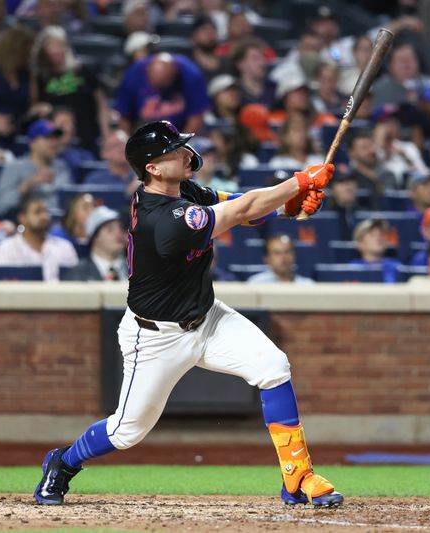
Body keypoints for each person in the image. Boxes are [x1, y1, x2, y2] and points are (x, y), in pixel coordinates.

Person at [32, 120, 344, 509]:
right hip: (156, 335)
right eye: (173, 151)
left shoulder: (187, 191)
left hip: (207, 317)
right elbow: (239, 211)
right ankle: (62, 463)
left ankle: (297, 477)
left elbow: (242, 205)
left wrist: (286, 208)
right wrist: (298, 183)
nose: (184, 153)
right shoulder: (161, 217)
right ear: (153, 169)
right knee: (127, 431)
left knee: (274, 366)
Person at [30, 26, 109, 152]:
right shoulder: (41, 77)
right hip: (57, 141)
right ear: (43, 50)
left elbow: (102, 106)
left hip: (87, 136)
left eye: (59, 45)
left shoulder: (83, 70)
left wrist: (106, 137)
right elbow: (34, 107)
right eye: (51, 46)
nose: (56, 50)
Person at [114, 52, 208, 134]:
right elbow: (123, 114)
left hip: (180, 131)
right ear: (147, 71)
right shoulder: (133, 74)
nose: (159, 91)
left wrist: (181, 145)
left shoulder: (191, 75)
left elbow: (197, 116)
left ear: (174, 74)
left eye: (163, 85)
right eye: (156, 85)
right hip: (141, 132)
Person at [0, 118, 73, 217]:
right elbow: (2, 205)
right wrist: (29, 184)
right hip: (22, 225)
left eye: (56, 137)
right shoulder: (15, 167)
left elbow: (68, 204)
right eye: (48, 137)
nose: (53, 142)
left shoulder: (61, 167)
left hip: (56, 223)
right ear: (32, 143)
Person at [0, 194, 78, 281]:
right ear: (22, 217)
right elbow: (1, 286)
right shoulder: (6, 248)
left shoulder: (65, 247)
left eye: (45, 211)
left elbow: (75, 282)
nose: (44, 216)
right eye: (37, 212)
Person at [61, 206, 128, 281]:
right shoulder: (76, 275)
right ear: (94, 237)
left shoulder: (138, 271)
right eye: (110, 229)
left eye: (122, 228)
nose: (119, 233)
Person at [372, 105, 429, 187]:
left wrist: (405, 157)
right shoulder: (371, 148)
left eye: (395, 121)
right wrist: (379, 143)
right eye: (387, 122)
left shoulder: (408, 147)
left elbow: (425, 175)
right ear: (377, 125)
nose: (393, 125)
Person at [346, 130, 396, 204]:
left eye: (371, 146)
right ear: (351, 153)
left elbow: (387, 201)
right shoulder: (347, 177)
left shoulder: (387, 175)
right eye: (364, 147)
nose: (371, 151)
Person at [84, 130, 139, 195]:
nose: (123, 148)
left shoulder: (143, 177)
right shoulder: (95, 180)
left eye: (126, 144)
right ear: (104, 153)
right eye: (116, 145)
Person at [246, 234, 314, 284]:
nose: (283, 257)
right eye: (277, 253)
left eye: (287, 251)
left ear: (294, 256)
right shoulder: (256, 283)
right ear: (267, 259)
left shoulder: (308, 285)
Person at [51, 107, 96, 182]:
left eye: (71, 123)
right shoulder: (43, 157)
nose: (69, 128)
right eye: (62, 124)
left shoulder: (85, 156)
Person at [349, 219, 400, 284]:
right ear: (360, 243)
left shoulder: (396, 267)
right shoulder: (352, 270)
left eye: (381, 234)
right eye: (372, 235)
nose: (378, 238)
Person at [231, 38, 276, 108]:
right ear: (240, 64)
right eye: (255, 58)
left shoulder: (274, 89)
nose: (262, 63)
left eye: (263, 57)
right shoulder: (234, 93)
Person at [325, 169, 360, 241]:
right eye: (342, 182)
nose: (348, 187)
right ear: (332, 188)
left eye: (351, 181)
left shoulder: (365, 214)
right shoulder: (326, 216)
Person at [190, 16, 223, 80]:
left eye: (212, 30)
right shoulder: (188, 65)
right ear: (193, 37)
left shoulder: (227, 64)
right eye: (204, 30)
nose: (209, 34)